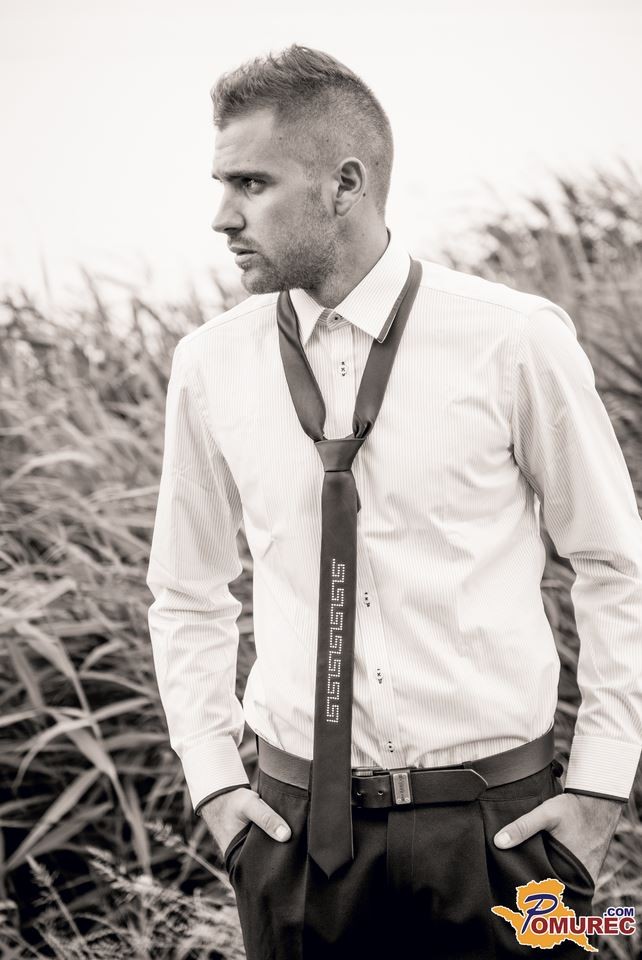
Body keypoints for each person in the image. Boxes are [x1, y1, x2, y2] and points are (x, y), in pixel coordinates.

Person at [145, 45, 642, 959]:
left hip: (497, 833)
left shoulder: (513, 339)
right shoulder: (209, 366)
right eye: (222, 184)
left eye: (251, 184)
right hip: (293, 839)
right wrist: (215, 784)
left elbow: (616, 565)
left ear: (345, 183)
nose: (223, 217)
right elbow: (186, 592)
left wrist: (601, 788)